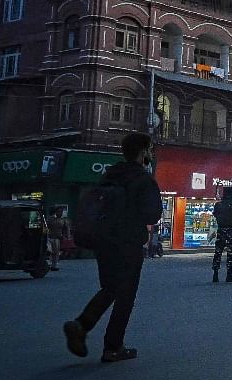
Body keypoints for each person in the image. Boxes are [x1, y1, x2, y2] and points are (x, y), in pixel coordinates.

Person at [63, 132, 162, 364]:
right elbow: (152, 215)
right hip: (128, 244)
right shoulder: (143, 179)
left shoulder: (110, 174)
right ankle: (113, 346)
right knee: (125, 296)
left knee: (110, 288)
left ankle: (81, 325)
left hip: (104, 242)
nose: (152, 152)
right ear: (144, 151)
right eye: (151, 148)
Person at [212, 186, 232, 283]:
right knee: (230, 253)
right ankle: (229, 274)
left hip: (221, 230)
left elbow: (216, 215)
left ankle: (215, 274)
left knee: (218, 252)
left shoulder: (218, 204)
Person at [45, 207, 68, 271]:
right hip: (50, 237)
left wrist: (64, 235)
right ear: (56, 212)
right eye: (59, 211)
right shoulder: (51, 219)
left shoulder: (63, 220)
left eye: (61, 212)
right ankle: (49, 264)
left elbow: (65, 228)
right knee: (51, 251)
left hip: (58, 238)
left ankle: (54, 265)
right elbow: (46, 226)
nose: (60, 213)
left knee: (56, 252)